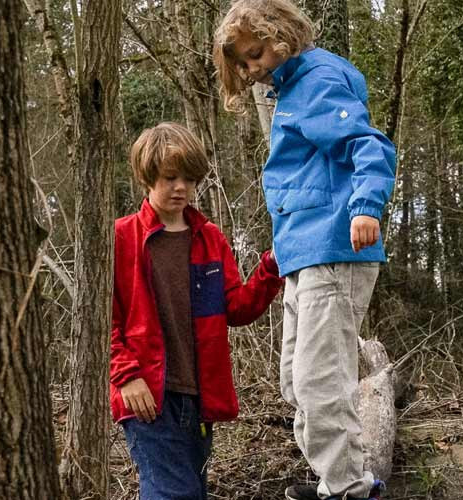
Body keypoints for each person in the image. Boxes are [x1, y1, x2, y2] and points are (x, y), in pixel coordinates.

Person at [212, 1, 398, 498]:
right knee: (296, 380)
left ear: (282, 36)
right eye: (243, 64)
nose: (251, 70)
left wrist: (365, 207)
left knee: (320, 381)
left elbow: (368, 145)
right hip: (304, 254)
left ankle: (349, 489)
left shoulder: (316, 81)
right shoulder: (291, 91)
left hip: (332, 249)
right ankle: (333, 480)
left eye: (255, 55)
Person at [110, 122, 285, 500]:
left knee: (190, 491)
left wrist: (272, 267)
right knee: (174, 493)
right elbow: (104, 321)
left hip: (199, 399)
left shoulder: (210, 238)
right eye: (170, 178)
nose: (181, 188)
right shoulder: (122, 237)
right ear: (147, 177)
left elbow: (236, 308)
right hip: (147, 396)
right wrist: (126, 376)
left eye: (189, 179)